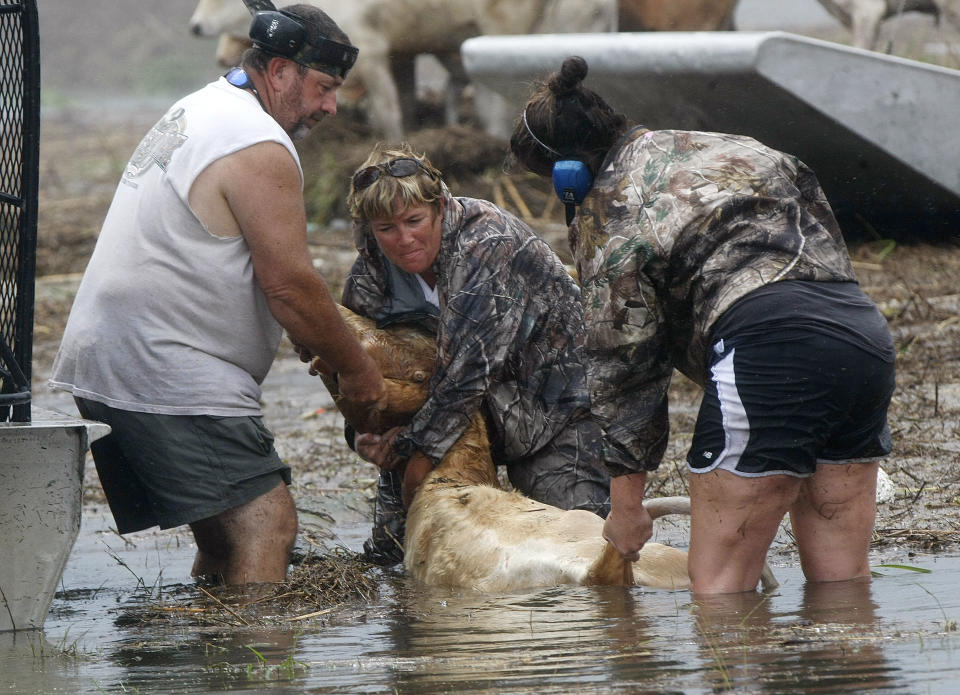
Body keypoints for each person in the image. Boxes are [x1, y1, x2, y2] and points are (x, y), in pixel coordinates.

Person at [509, 56, 895, 594]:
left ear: (565, 173)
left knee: (720, 590)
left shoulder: (609, 207)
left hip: (767, 347)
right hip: (862, 335)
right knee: (842, 585)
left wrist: (625, 510)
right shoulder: (739, 146)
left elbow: (623, 366)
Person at [48, 4, 386, 586]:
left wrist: (320, 343)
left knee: (227, 540)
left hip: (108, 358)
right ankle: (255, 669)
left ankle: (209, 657)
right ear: (279, 72)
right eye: (324, 87)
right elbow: (290, 287)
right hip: (165, 364)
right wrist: (359, 373)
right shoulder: (258, 143)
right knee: (267, 524)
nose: (332, 107)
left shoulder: (204, 106)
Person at [330, 142, 611, 566]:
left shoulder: (486, 241)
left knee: (578, 554)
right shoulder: (370, 276)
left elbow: (467, 374)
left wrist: (415, 455)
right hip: (445, 419)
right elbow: (352, 369)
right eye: (386, 228)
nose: (404, 240)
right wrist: (365, 437)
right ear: (368, 229)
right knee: (397, 558)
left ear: (440, 207)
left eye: (414, 221)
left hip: (555, 410)